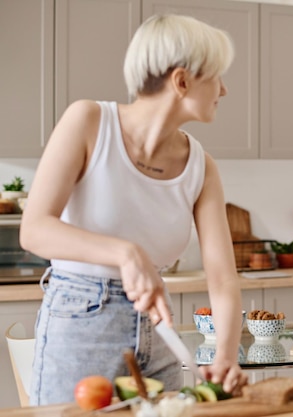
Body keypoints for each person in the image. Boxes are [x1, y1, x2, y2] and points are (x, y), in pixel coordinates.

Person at [20, 14, 248, 405]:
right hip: (80, 322)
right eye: (217, 76)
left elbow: (223, 279)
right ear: (182, 81)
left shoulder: (201, 166)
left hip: (159, 334)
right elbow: (35, 229)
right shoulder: (89, 121)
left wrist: (225, 355)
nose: (224, 90)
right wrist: (127, 253)